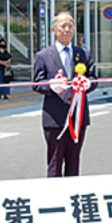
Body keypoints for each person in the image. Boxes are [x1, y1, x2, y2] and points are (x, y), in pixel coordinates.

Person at [32, 12, 97, 177]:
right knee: (55, 162)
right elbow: (36, 83)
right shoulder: (43, 56)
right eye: (63, 26)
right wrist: (52, 86)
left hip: (79, 116)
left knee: (74, 161)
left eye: (70, 25)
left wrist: (86, 84)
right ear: (53, 29)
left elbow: (94, 78)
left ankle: (72, 197)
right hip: (55, 117)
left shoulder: (83, 54)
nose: (67, 30)